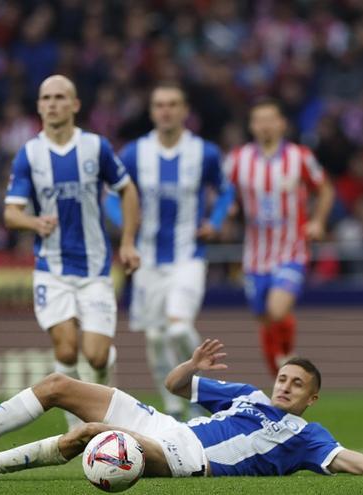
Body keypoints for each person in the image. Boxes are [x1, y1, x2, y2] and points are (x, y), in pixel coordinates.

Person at [0, 339, 363, 481]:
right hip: (167, 426)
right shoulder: (249, 393)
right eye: (284, 378)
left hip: (190, 460)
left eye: (297, 385)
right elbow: (177, 385)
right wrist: (191, 362)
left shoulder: (308, 436)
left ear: (311, 398)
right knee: (58, 384)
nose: (285, 387)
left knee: (94, 433)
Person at [3, 74, 141, 430]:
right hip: (52, 268)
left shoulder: (96, 147)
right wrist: (34, 224)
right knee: (65, 351)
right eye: (46, 97)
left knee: (95, 355)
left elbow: (127, 190)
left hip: (95, 268)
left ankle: (104, 383)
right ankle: (77, 427)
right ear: (38, 106)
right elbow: (11, 212)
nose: (52, 103)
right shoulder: (29, 154)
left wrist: (126, 242)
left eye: (60, 97)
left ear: (75, 104)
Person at [104, 83, 234, 419]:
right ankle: (174, 407)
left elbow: (225, 191)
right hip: (146, 259)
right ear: (151, 111)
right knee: (156, 336)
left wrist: (215, 222)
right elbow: (110, 197)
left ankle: (200, 396)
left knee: (177, 327)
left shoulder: (203, 152)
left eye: (172, 104)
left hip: (188, 257)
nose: (165, 110)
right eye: (159, 104)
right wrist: (127, 227)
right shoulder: (136, 153)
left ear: (184, 110)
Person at [222, 100, 335, 376]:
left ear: (282, 123)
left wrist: (317, 221)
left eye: (270, 119)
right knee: (264, 319)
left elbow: (325, 189)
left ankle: (286, 358)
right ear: (252, 126)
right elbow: (223, 191)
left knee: (277, 308)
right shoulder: (238, 159)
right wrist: (228, 209)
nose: (265, 125)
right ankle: (280, 371)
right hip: (255, 255)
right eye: (259, 120)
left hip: (291, 250)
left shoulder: (299, 157)